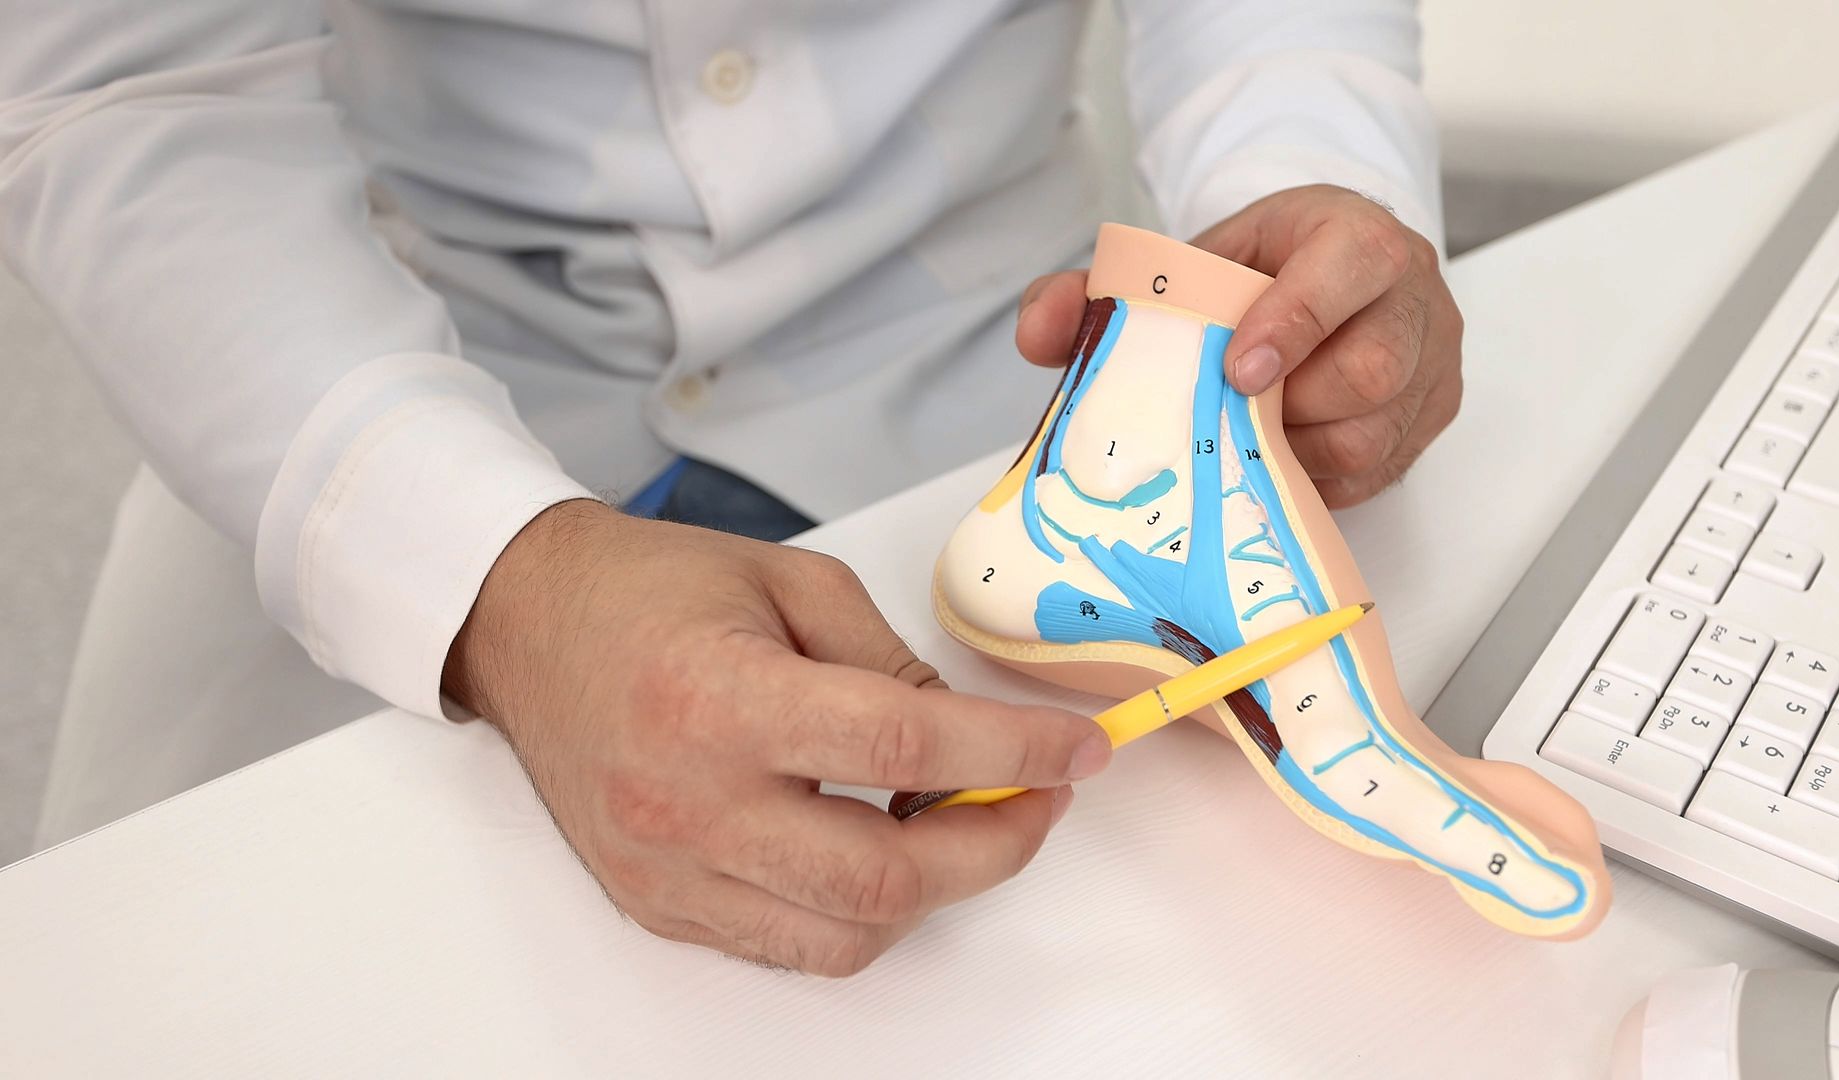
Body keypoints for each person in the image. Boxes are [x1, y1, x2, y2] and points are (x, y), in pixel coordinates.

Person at [1, 0, 1461, 975]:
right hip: (361, 344)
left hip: (1006, 336)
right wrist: (481, 573)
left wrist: (1307, 182)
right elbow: (131, 82)